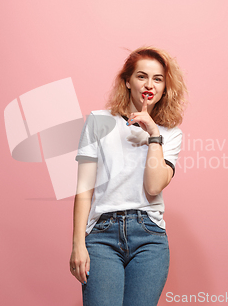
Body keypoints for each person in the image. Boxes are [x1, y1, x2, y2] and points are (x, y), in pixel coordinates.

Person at [70, 46, 188, 306]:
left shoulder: (170, 134)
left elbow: (153, 186)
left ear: (165, 88)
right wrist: (78, 244)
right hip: (102, 236)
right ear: (127, 81)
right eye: (141, 76)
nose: (149, 84)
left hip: (149, 238)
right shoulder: (98, 122)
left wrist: (153, 133)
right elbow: (83, 189)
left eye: (158, 79)